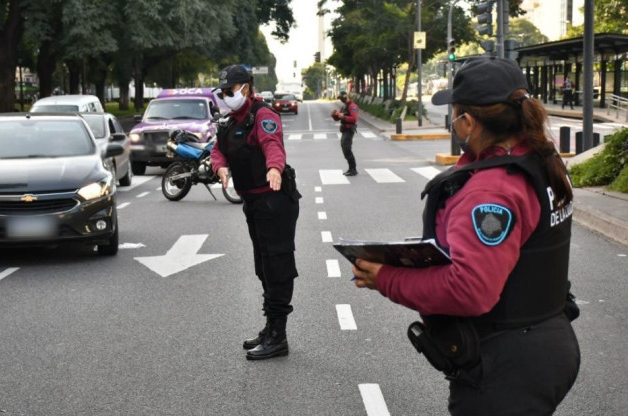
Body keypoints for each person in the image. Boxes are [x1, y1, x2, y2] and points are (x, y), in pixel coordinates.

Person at [351, 58, 580, 415]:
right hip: (546, 341)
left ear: (468, 122)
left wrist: (386, 277)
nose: (453, 123)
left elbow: (468, 289)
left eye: (455, 114)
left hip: (508, 367)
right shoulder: (539, 159)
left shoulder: (491, 193)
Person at [210, 65, 301, 360]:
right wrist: (220, 167)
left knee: (277, 267)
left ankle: (279, 336)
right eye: (222, 92)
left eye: (229, 91)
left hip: (275, 202)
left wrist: (274, 168)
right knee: (263, 266)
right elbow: (218, 150)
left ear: (246, 88)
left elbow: (272, 145)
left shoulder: (262, 115)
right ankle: (270, 327)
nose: (226, 96)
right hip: (253, 203)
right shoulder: (229, 121)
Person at [331, 91, 359, 176]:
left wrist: (344, 116)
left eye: (341, 98)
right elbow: (338, 118)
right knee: (344, 148)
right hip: (344, 130)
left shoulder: (352, 106)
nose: (341, 100)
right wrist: (335, 115)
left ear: (346, 96)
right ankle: (351, 168)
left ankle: (353, 169)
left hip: (349, 129)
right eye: (340, 99)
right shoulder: (344, 107)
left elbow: (354, 119)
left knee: (347, 148)